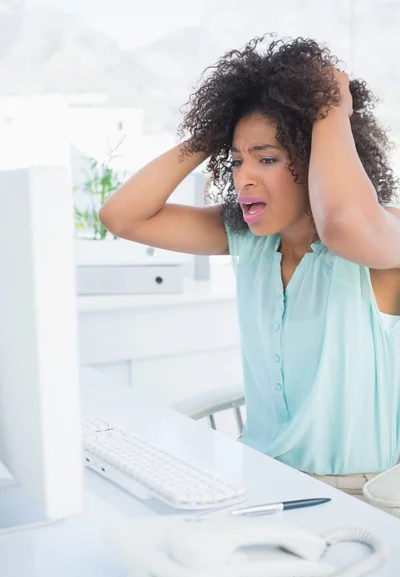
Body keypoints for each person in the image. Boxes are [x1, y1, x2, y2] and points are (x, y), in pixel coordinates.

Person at [99, 34, 400, 513]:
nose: (244, 177)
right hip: (257, 483)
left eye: (267, 158)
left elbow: (343, 224)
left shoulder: (386, 238)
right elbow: (123, 216)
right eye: (236, 161)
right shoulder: (251, 241)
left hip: (363, 500)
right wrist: (213, 132)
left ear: (317, 158)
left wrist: (328, 107)